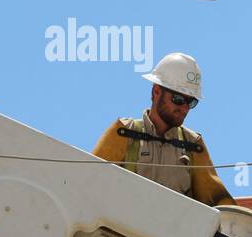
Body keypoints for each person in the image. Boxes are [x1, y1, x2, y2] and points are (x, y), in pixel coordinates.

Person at [92, 52, 234, 207]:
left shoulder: (193, 145)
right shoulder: (124, 132)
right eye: (178, 99)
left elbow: (219, 202)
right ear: (156, 92)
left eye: (191, 102)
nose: (185, 108)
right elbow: (87, 181)